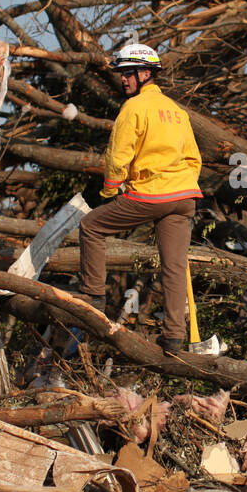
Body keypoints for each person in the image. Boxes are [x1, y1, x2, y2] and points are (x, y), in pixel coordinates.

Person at [77, 43, 202, 354]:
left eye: (128, 73)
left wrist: (110, 190)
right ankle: (173, 339)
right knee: (174, 266)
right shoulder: (176, 111)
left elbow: (118, 156)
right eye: (122, 74)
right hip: (185, 196)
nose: (123, 79)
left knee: (91, 226)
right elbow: (194, 158)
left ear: (146, 73)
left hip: (150, 194)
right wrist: (182, 185)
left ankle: (93, 296)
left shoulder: (133, 108)